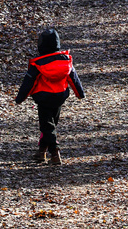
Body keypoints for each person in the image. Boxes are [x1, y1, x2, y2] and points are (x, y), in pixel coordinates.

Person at [15, 27, 85, 165]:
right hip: (59, 97)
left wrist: (20, 98)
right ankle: (41, 152)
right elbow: (74, 79)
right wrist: (80, 94)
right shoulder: (66, 61)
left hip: (43, 98)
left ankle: (55, 151)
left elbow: (28, 82)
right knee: (50, 125)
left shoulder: (38, 65)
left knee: (47, 126)